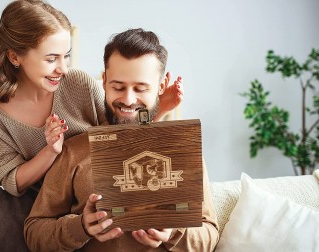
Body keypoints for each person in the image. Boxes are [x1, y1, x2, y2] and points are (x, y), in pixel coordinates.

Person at [24, 28, 219, 251]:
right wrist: (81, 227)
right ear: (104, 80)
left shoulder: (183, 148)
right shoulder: (74, 150)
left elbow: (210, 235)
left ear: (162, 85)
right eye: (118, 87)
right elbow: (34, 233)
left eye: (140, 88)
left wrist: (173, 230)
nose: (128, 99)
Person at [0, 0, 182, 196]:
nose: (63, 69)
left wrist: (160, 109)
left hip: (102, 192)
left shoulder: (78, 83)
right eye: (51, 59)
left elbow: (123, 140)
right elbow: (11, 181)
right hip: (48, 208)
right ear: (15, 56)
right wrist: (51, 151)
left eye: (67, 56)